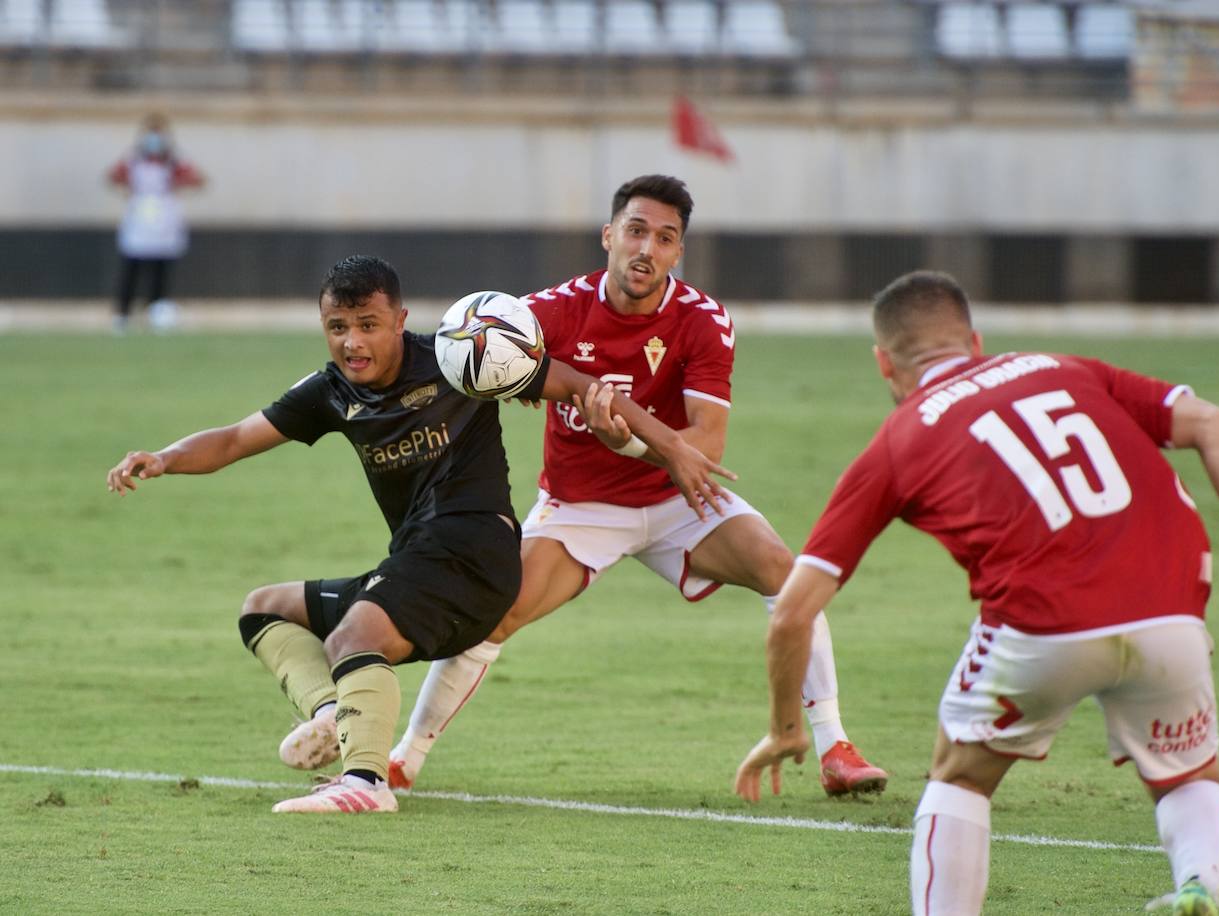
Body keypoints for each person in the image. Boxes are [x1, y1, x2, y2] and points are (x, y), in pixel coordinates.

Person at [734, 270, 1219, 914]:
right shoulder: (1066, 368)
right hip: (1171, 610)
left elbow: (792, 613)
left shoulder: (899, 440)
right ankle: (1197, 884)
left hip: (1044, 627)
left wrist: (787, 728)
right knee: (1188, 776)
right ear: (976, 339)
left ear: (884, 362)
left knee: (959, 775)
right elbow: (1217, 423)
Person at [106, 254, 728, 814]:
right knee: (263, 611)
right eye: (337, 327)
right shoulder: (330, 391)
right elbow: (238, 438)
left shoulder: (462, 360)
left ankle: (366, 783)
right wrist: (163, 457)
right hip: (420, 564)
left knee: (353, 634)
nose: (353, 342)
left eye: (368, 324)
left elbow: (585, 386)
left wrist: (672, 447)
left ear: (399, 318)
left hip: (474, 552)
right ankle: (334, 716)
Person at [388, 174, 889, 797]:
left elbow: (704, 447)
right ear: (608, 236)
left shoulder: (703, 321)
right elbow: (482, 359)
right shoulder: (551, 312)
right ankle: (402, 760)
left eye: (665, 238)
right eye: (635, 231)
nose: (647, 248)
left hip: (676, 498)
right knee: (495, 610)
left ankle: (834, 746)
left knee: (784, 573)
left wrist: (622, 438)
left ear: (679, 252)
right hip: (580, 507)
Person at [106, 113, 205, 334]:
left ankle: (158, 312)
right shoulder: (133, 159)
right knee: (132, 267)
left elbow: (198, 179)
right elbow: (113, 176)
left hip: (165, 217)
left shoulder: (175, 160)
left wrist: (179, 183)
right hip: (140, 216)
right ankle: (123, 314)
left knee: (161, 267)